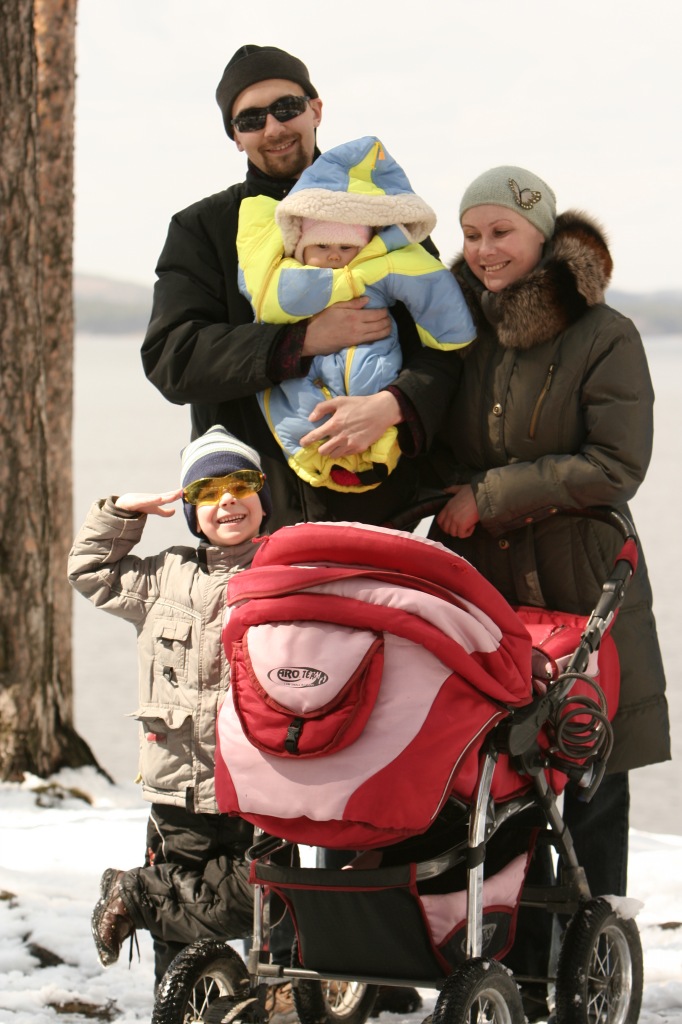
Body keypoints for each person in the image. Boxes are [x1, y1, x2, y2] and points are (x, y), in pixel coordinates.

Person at [423, 164, 671, 1018]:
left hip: (585, 581)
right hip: (488, 592)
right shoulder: (456, 330)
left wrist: (489, 495)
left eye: (502, 232)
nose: (484, 250)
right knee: (502, 782)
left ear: (543, 234)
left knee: (591, 775)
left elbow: (616, 464)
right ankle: (517, 973)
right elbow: (434, 446)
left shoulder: (605, 334)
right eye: (471, 234)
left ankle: (592, 972)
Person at [141, 44, 463, 530]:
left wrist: (395, 404)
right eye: (251, 119)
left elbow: (448, 345)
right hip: (251, 519)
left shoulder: (384, 211)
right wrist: (300, 340)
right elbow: (173, 358)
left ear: (316, 109)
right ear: (235, 137)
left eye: (286, 108)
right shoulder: (201, 229)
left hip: (379, 513)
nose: (273, 128)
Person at [67, 426, 294, 1019]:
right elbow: (89, 570)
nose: (227, 500)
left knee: (271, 905)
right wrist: (123, 511)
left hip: (263, 787)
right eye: (208, 491)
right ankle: (185, 1009)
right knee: (181, 935)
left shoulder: (290, 570)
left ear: (263, 497)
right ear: (192, 510)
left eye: (241, 483)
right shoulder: (163, 576)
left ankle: (140, 898)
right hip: (180, 787)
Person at [236, 135, 475, 493]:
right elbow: (262, 299)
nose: (334, 256)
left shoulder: (382, 265)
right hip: (295, 415)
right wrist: (304, 340)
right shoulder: (284, 275)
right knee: (302, 414)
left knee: (373, 391)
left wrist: (449, 336)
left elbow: (428, 285)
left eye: (346, 247)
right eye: (321, 246)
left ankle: (376, 456)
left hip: (375, 370)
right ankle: (314, 455)